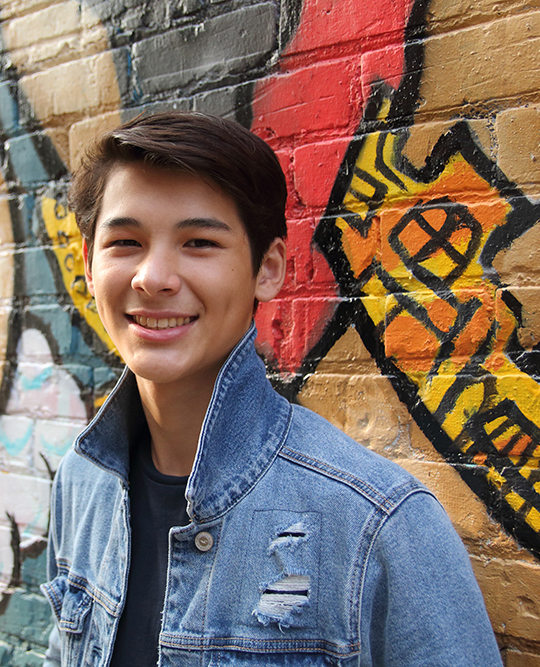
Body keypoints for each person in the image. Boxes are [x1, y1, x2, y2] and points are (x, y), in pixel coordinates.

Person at [41, 111, 502, 666]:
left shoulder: (375, 525)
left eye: (199, 243)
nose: (153, 277)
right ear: (89, 266)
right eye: (125, 242)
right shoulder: (81, 481)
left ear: (268, 269)